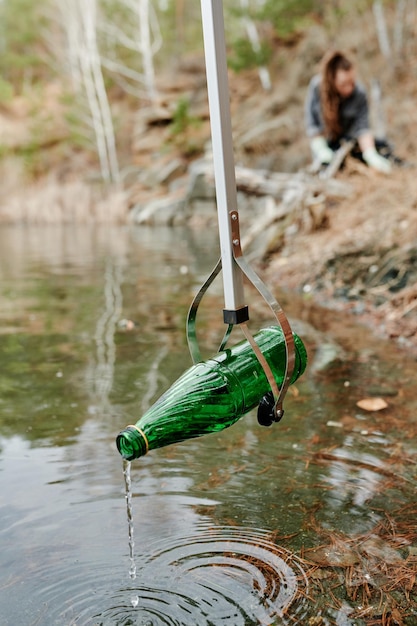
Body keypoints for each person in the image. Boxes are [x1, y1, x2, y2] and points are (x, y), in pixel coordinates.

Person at [305, 50, 391, 173]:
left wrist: (370, 154)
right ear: (332, 80)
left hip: (350, 145)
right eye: (343, 84)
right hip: (326, 146)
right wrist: (321, 149)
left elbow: (363, 128)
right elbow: (312, 125)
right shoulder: (316, 87)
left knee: (384, 148)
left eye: (351, 82)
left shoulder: (359, 93)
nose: (349, 88)